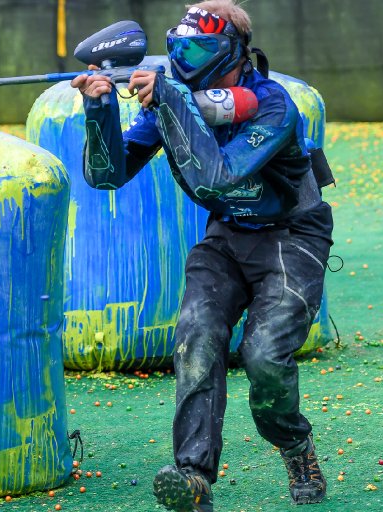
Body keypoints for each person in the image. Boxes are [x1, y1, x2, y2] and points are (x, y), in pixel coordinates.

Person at [72, 1, 333, 510]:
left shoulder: (273, 102)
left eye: (199, 48)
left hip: (293, 237)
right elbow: (107, 174)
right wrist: (99, 107)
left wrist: (170, 99)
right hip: (227, 236)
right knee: (196, 340)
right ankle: (193, 477)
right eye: (177, 49)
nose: (185, 60)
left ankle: (294, 444)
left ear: (234, 51)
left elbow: (218, 175)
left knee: (264, 358)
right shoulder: (177, 98)